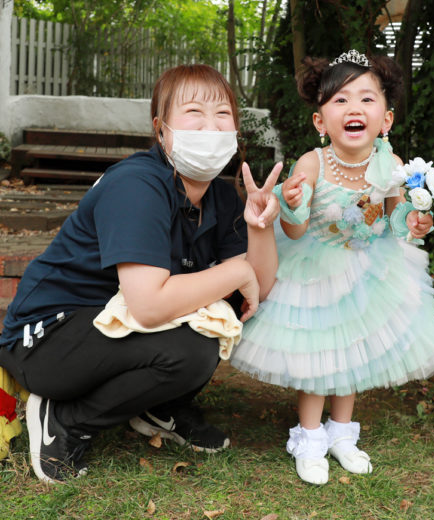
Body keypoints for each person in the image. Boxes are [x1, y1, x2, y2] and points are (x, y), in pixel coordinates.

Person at [0, 63, 282, 484]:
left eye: (223, 115)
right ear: (161, 128)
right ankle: (64, 417)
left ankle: (159, 407)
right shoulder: (137, 184)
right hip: (48, 340)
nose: (210, 127)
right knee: (192, 348)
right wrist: (237, 270)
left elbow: (254, 291)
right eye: (193, 113)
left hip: (111, 330)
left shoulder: (221, 196)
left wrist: (260, 229)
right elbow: (149, 305)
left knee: (222, 312)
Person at [230, 50, 434, 485]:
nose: (355, 109)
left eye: (367, 100)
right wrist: (292, 207)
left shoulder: (392, 166)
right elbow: (294, 233)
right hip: (316, 266)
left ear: (386, 120)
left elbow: (394, 219)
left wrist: (413, 221)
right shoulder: (312, 164)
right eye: (341, 100)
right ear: (320, 122)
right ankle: (309, 437)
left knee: (353, 351)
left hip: (369, 266)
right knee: (319, 353)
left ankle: (342, 434)